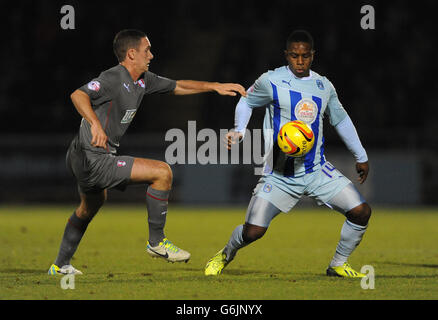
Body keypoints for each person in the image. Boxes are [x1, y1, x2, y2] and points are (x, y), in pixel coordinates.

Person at [48, 29, 246, 275]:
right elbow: (78, 94)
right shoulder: (113, 77)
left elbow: (177, 86)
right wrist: (95, 125)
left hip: (79, 155)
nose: (151, 55)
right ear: (131, 54)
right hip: (94, 157)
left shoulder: (142, 80)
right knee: (162, 172)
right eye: (146, 50)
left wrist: (213, 86)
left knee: (90, 206)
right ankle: (157, 242)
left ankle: (60, 265)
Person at [205, 30, 371, 278]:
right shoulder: (271, 81)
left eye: (305, 56)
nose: (300, 61)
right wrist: (239, 130)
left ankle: (337, 264)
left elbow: (341, 119)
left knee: (361, 212)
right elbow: (246, 101)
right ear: (286, 55)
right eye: (295, 56)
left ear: (312, 56)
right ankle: (225, 254)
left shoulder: (323, 86)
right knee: (253, 232)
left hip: (317, 171)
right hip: (279, 175)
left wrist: (361, 155)